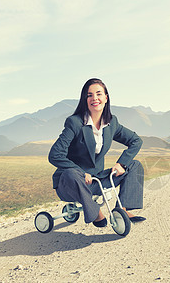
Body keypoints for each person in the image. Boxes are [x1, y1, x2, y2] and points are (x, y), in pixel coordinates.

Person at [48, 78, 145, 227]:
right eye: (89, 95)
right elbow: (55, 154)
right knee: (71, 173)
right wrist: (80, 172)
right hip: (71, 183)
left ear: (106, 98)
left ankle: (122, 209)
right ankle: (95, 212)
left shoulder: (112, 123)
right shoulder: (74, 123)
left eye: (99, 94)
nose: (95, 98)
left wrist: (121, 164)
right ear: (85, 100)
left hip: (96, 181)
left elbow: (136, 141)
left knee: (134, 165)